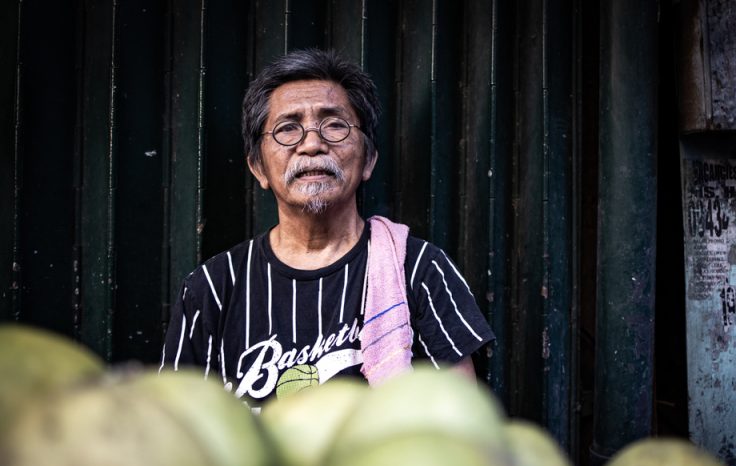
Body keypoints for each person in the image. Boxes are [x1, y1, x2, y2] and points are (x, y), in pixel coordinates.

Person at [160, 48, 494, 407]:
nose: (313, 144)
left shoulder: (420, 270)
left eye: (334, 125)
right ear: (258, 168)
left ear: (368, 160)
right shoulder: (212, 288)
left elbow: (462, 422)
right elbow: (176, 430)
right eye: (288, 128)